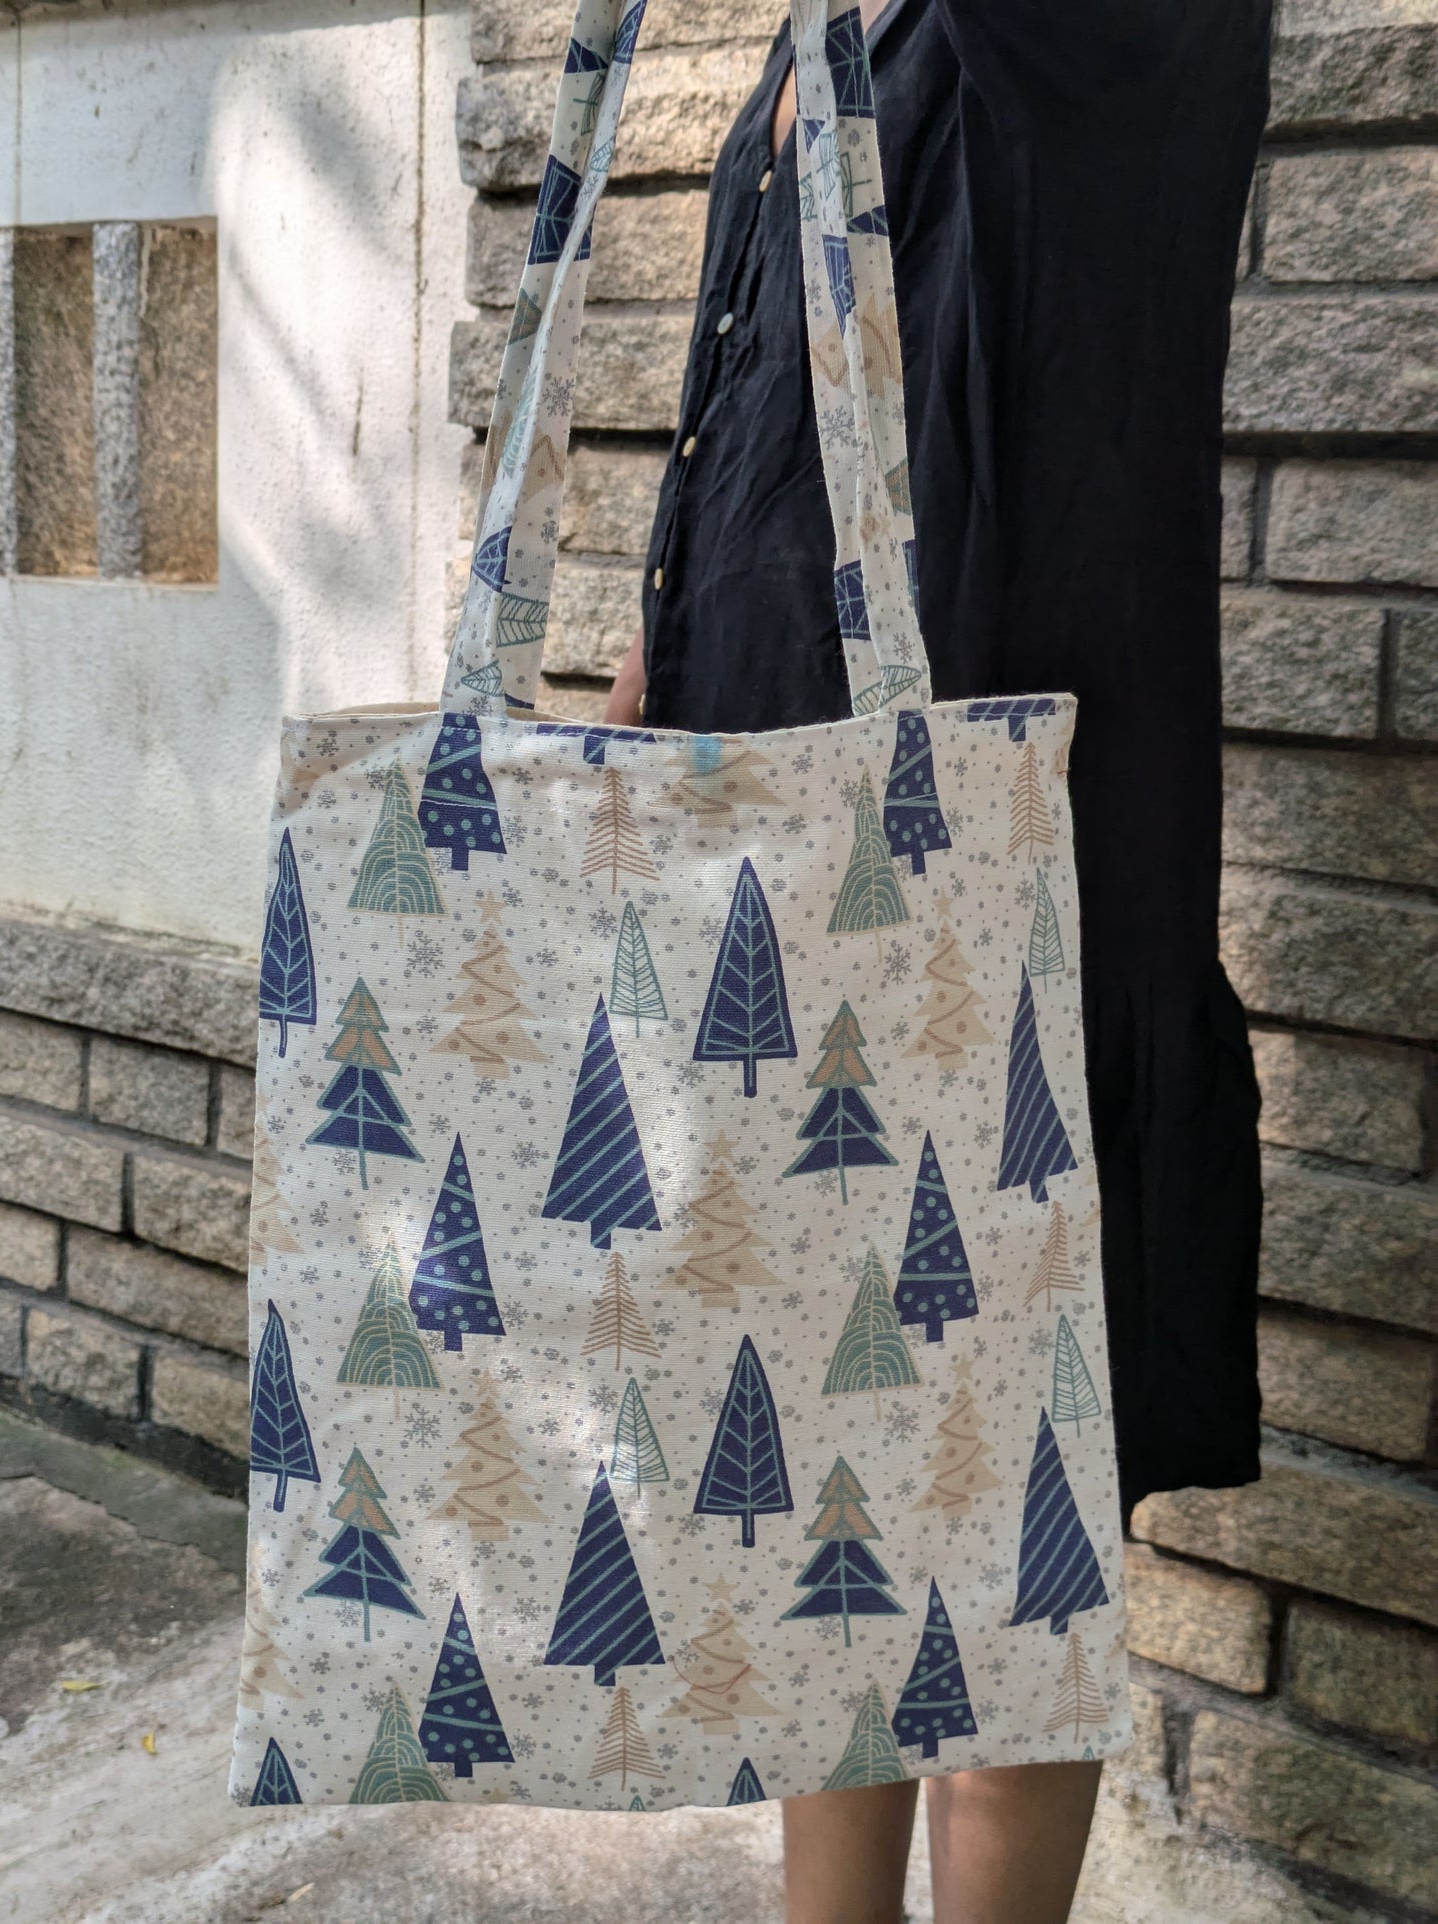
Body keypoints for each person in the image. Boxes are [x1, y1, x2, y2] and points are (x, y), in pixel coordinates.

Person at [604, 0, 1272, 1916]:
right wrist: (662, 656)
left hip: (991, 880)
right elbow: (776, 398)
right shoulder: (837, 20)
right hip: (787, 862)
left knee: (1000, 1517)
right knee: (834, 1472)